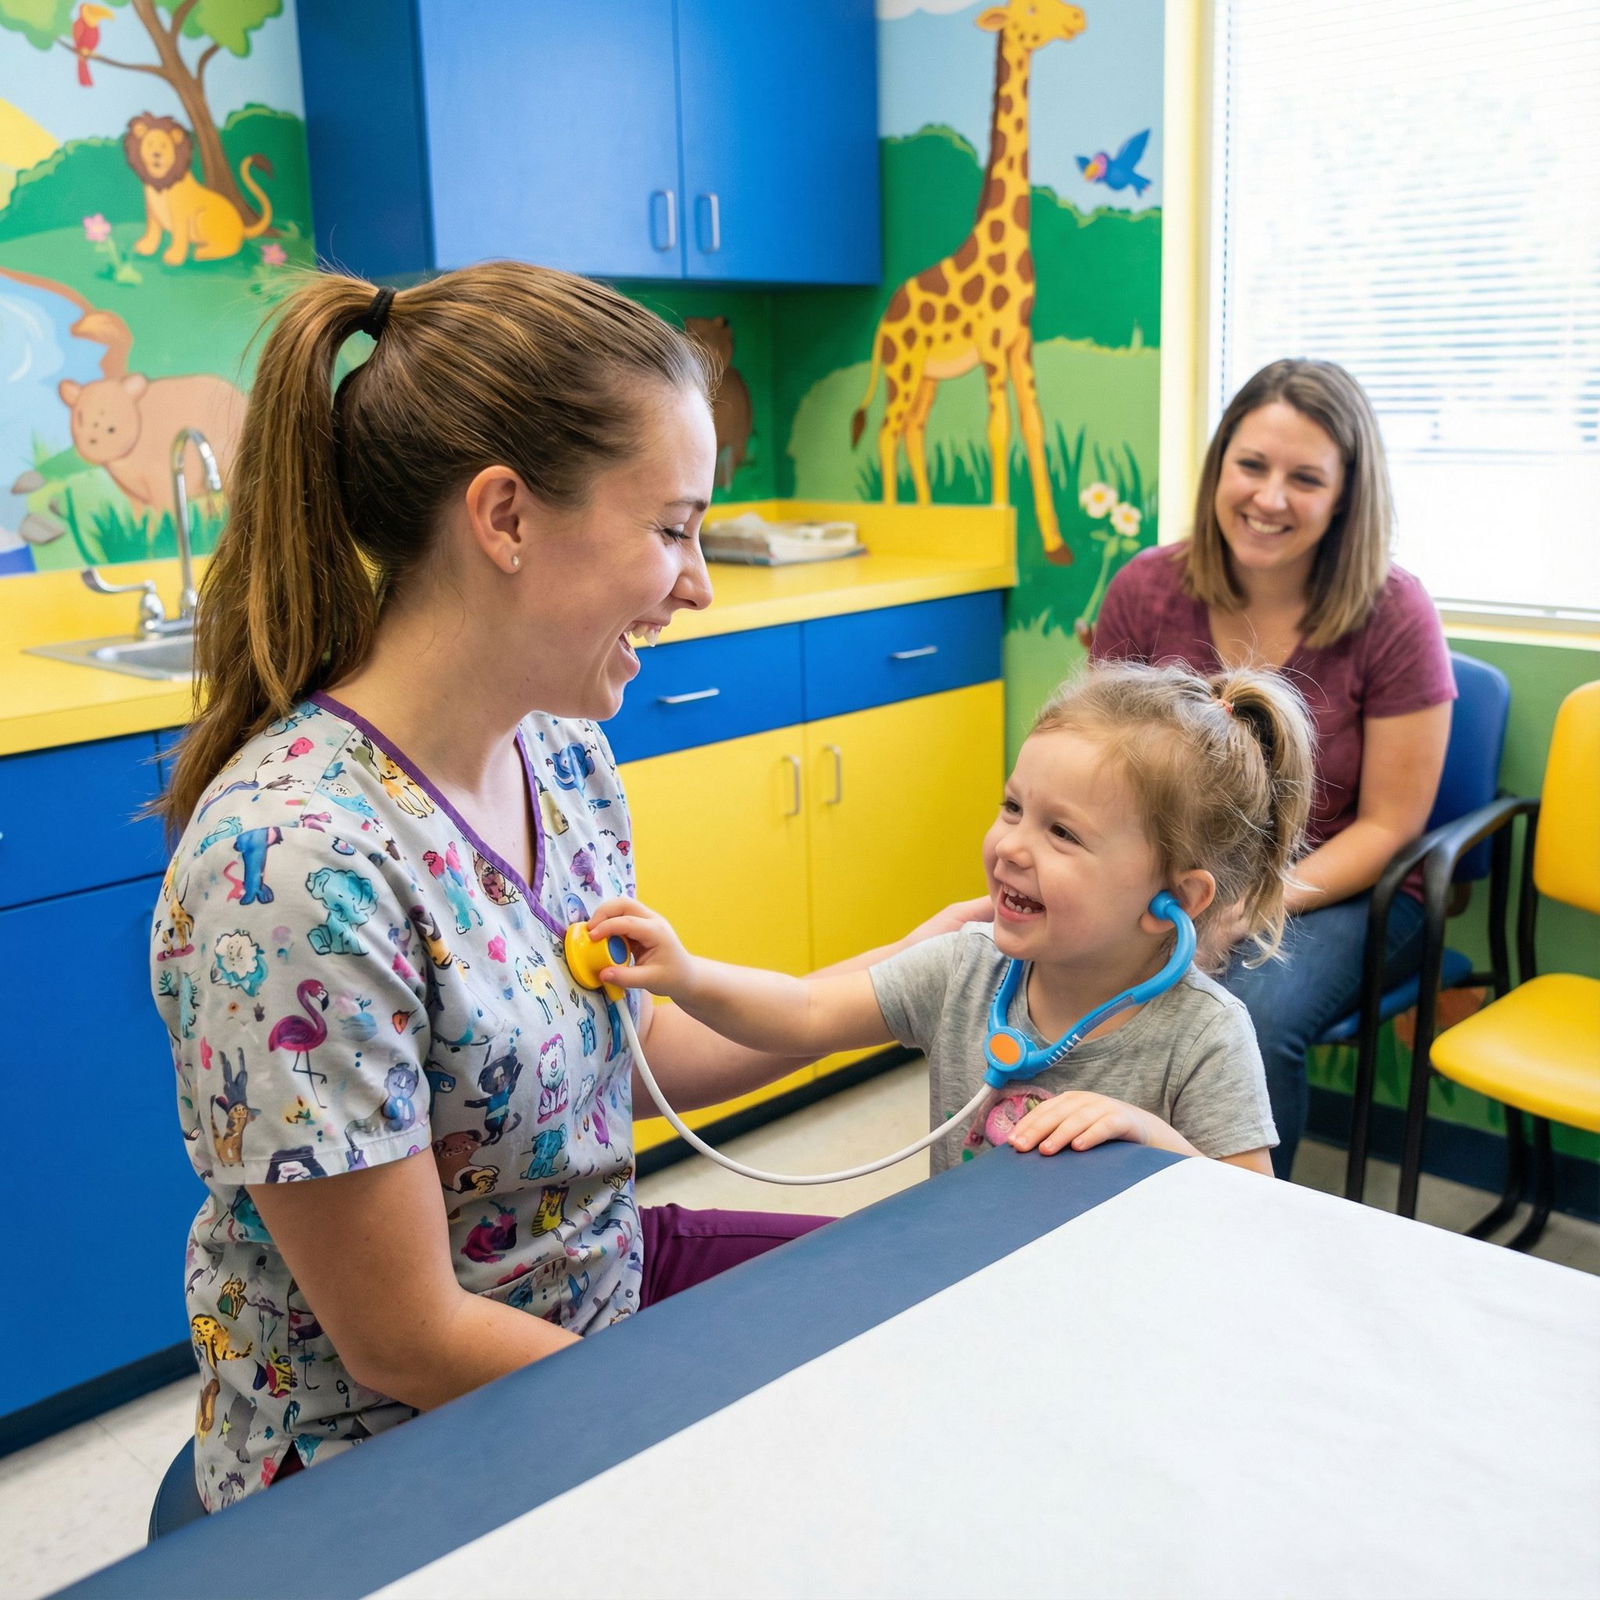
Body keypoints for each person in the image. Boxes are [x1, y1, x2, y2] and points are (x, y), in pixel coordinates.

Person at [151, 261, 979, 1510]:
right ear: (505, 517)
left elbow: (638, 1052)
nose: (698, 582)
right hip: (386, 1454)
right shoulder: (292, 869)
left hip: (595, 1287)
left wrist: (921, 970)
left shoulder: (562, 753)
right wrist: (687, 1423)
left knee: (931, 1318)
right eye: (671, 528)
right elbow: (407, 1340)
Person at [590, 660, 1316, 1179]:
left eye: (1062, 834)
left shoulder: (1205, 1036)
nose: (1011, 847)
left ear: (1177, 902)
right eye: (1012, 808)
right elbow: (807, 1012)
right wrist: (689, 976)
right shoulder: (965, 969)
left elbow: (1243, 1216)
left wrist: (1155, 1141)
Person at [1089, 358, 1455, 1179]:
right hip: (1180, 875)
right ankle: (1099, 1189)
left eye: (1306, 478)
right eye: (1251, 465)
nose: (1269, 497)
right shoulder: (1147, 588)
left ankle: (1244, 1224)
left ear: (1347, 495)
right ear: (1220, 465)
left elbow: (1391, 824)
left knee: (1247, 1009)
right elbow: (1095, 764)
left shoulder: (1397, 612)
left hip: (1343, 887)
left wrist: (1252, 907)